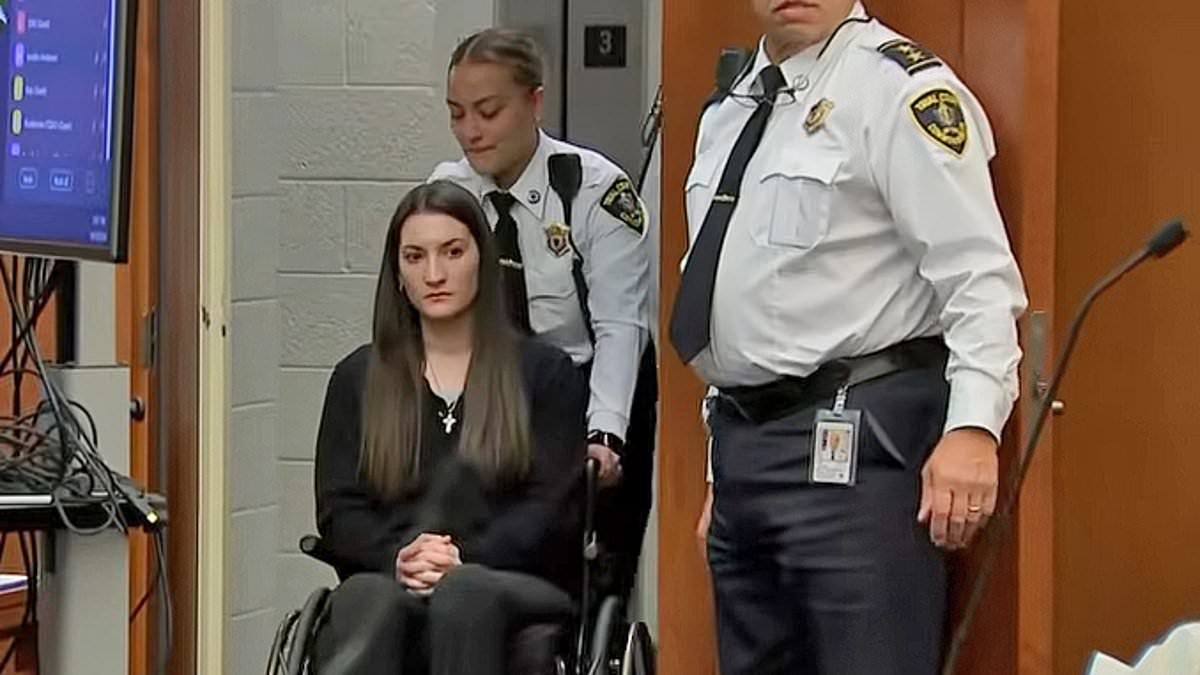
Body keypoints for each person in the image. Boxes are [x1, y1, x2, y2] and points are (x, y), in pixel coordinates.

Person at [671, 2, 1029, 674]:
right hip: (746, 449)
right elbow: (729, 304)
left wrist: (973, 428)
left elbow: (978, 279)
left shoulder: (899, 90)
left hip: (857, 445)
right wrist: (722, 470)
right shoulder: (730, 109)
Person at [311, 180, 588, 675]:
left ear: (483, 260)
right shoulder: (357, 378)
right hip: (392, 574)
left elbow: (551, 509)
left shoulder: (544, 375)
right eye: (415, 257)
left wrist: (463, 558)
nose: (434, 274)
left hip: (513, 579)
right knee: (366, 599)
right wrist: (401, 557)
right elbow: (339, 511)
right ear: (398, 274)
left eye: (453, 252)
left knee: (465, 592)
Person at [428, 27, 657, 600]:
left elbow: (619, 325)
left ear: (534, 102)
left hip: (579, 389)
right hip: (488, 391)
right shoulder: (448, 190)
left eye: (488, 112)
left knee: (586, 568)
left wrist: (605, 433)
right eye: (457, 113)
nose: (470, 131)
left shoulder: (594, 189)